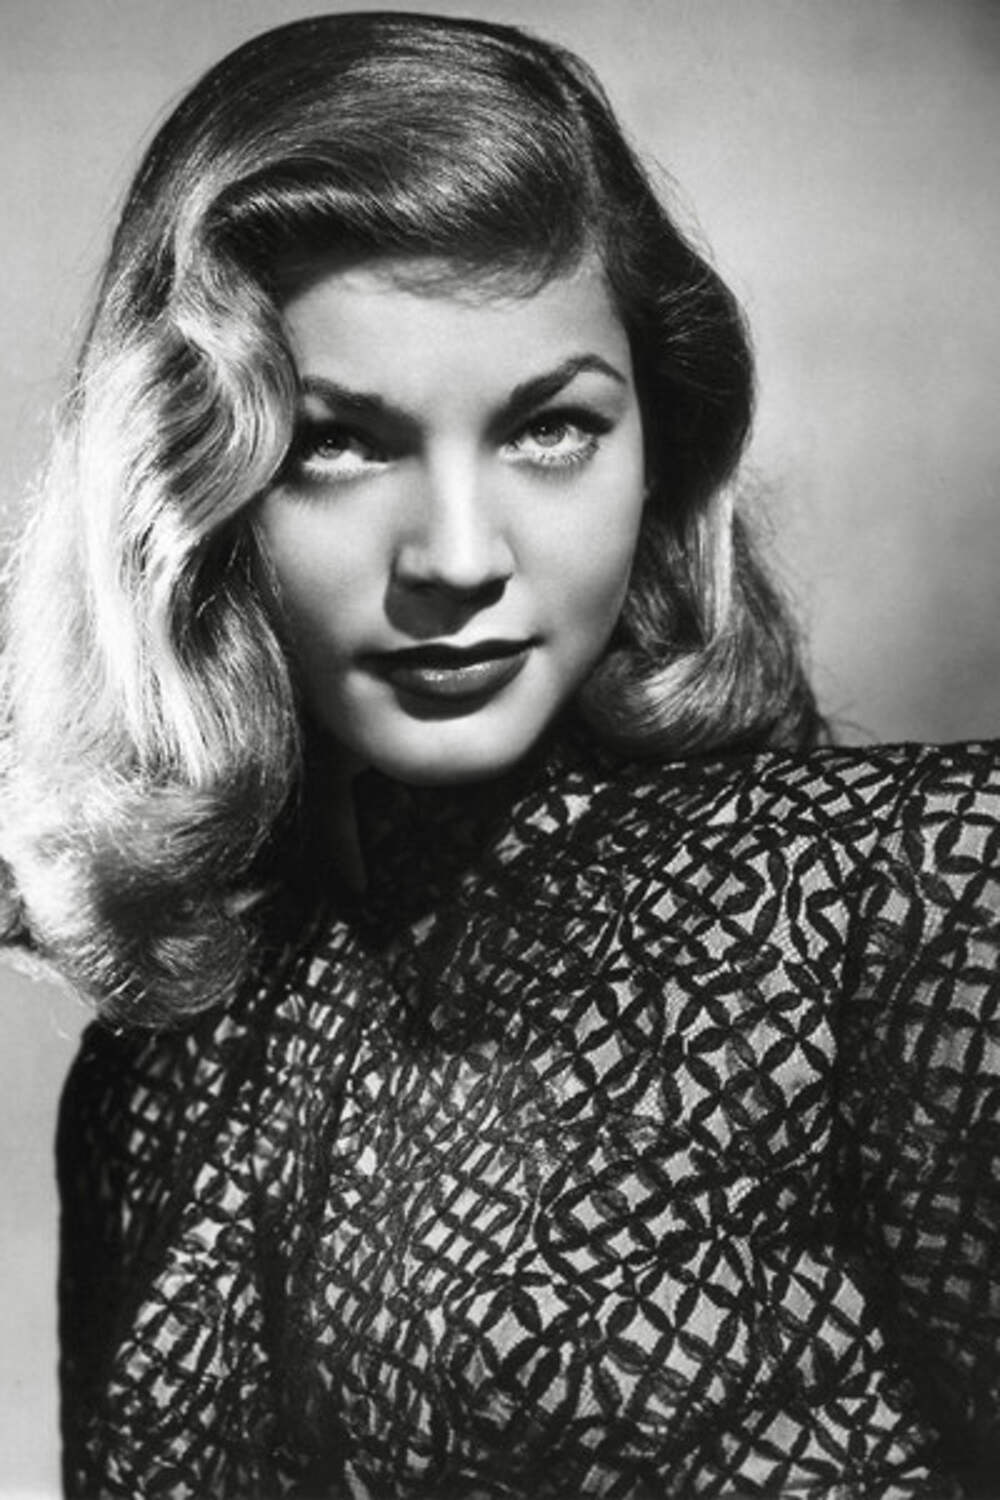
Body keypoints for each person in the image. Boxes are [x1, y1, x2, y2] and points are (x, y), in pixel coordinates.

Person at [0, 10, 997, 1497]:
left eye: (549, 429)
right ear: (192, 489)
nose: (459, 558)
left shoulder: (904, 898)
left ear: (661, 449)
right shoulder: (149, 1090)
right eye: (341, 443)